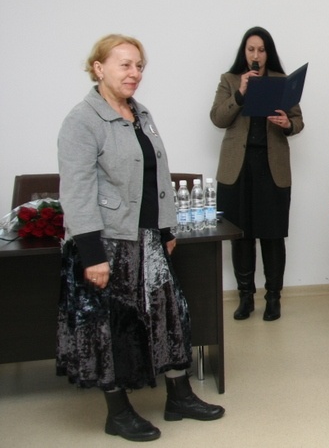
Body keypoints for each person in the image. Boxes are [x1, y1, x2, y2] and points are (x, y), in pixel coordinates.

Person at [56, 34, 224, 443]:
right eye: (125, 65)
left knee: (170, 315)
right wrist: (92, 254)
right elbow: (77, 192)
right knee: (112, 327)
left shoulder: (140, 113)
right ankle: (118, 413)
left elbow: (157, 178)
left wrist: (165, 229)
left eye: (139, 66)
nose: (135, 73)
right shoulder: (82, 120)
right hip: (107, 244)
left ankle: (179, 396)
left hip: (148, 240)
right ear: (99, 68)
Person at [210, 26, 304, 321]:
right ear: (244, 52)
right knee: (241, 235)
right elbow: (218, 118)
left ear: (268, 53)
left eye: (261, 50)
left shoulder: (281, 81)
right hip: (236, 169)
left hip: (271, 168)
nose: (256, 55)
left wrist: (287, 123)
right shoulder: (229, 80)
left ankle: (273, 298)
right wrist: (240, 93)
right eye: (251, 49)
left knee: (272, 235)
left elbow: (298, 122)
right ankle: (245, 297)